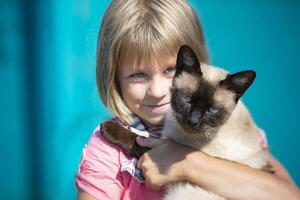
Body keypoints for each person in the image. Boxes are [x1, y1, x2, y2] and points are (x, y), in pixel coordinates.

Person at [76, 0, 300, 199]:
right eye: (138, 74)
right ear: (114, 77)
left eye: (171, 69)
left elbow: (289, 195)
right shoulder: (107, 151)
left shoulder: (235, 132)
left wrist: (190, 164)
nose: (157, 90)